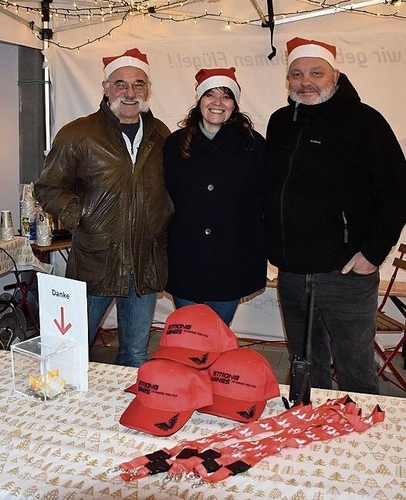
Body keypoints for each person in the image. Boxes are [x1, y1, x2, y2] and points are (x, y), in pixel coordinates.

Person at [265, 37, 406, 394]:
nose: (305, 81)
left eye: (316, 72)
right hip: (294, 272)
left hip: (345, 274)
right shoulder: (280, 122)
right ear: (288, 80)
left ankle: (361, 440)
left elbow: (397, 192)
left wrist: (373, 254)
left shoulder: (366, 122)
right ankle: (308, 432)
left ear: (335, 75)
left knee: (355, 366)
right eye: (296, 74)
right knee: (305, 364)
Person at [34, 48, 173, 367]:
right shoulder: (78, 134)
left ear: (148, 90)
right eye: (120, 84)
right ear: (105, 87)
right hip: (96, 261)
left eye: (139, 84)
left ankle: (123, 416)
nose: (130, 92)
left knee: (136, 354)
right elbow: (48, 186)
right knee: (70, 350)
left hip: (144, 264)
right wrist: (81, 217)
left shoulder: (162, 136)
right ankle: (65, 413)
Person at [163, 67, 267, 325]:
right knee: (188, 336)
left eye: (226, 96)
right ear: (199, 100)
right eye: (210, 95)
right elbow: (163, 197)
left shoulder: (254, 145)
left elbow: (264, 200)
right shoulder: (175, 144)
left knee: (218, 335)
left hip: (231, 259)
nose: (218, 103)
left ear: (235, 104)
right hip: (185, 257)